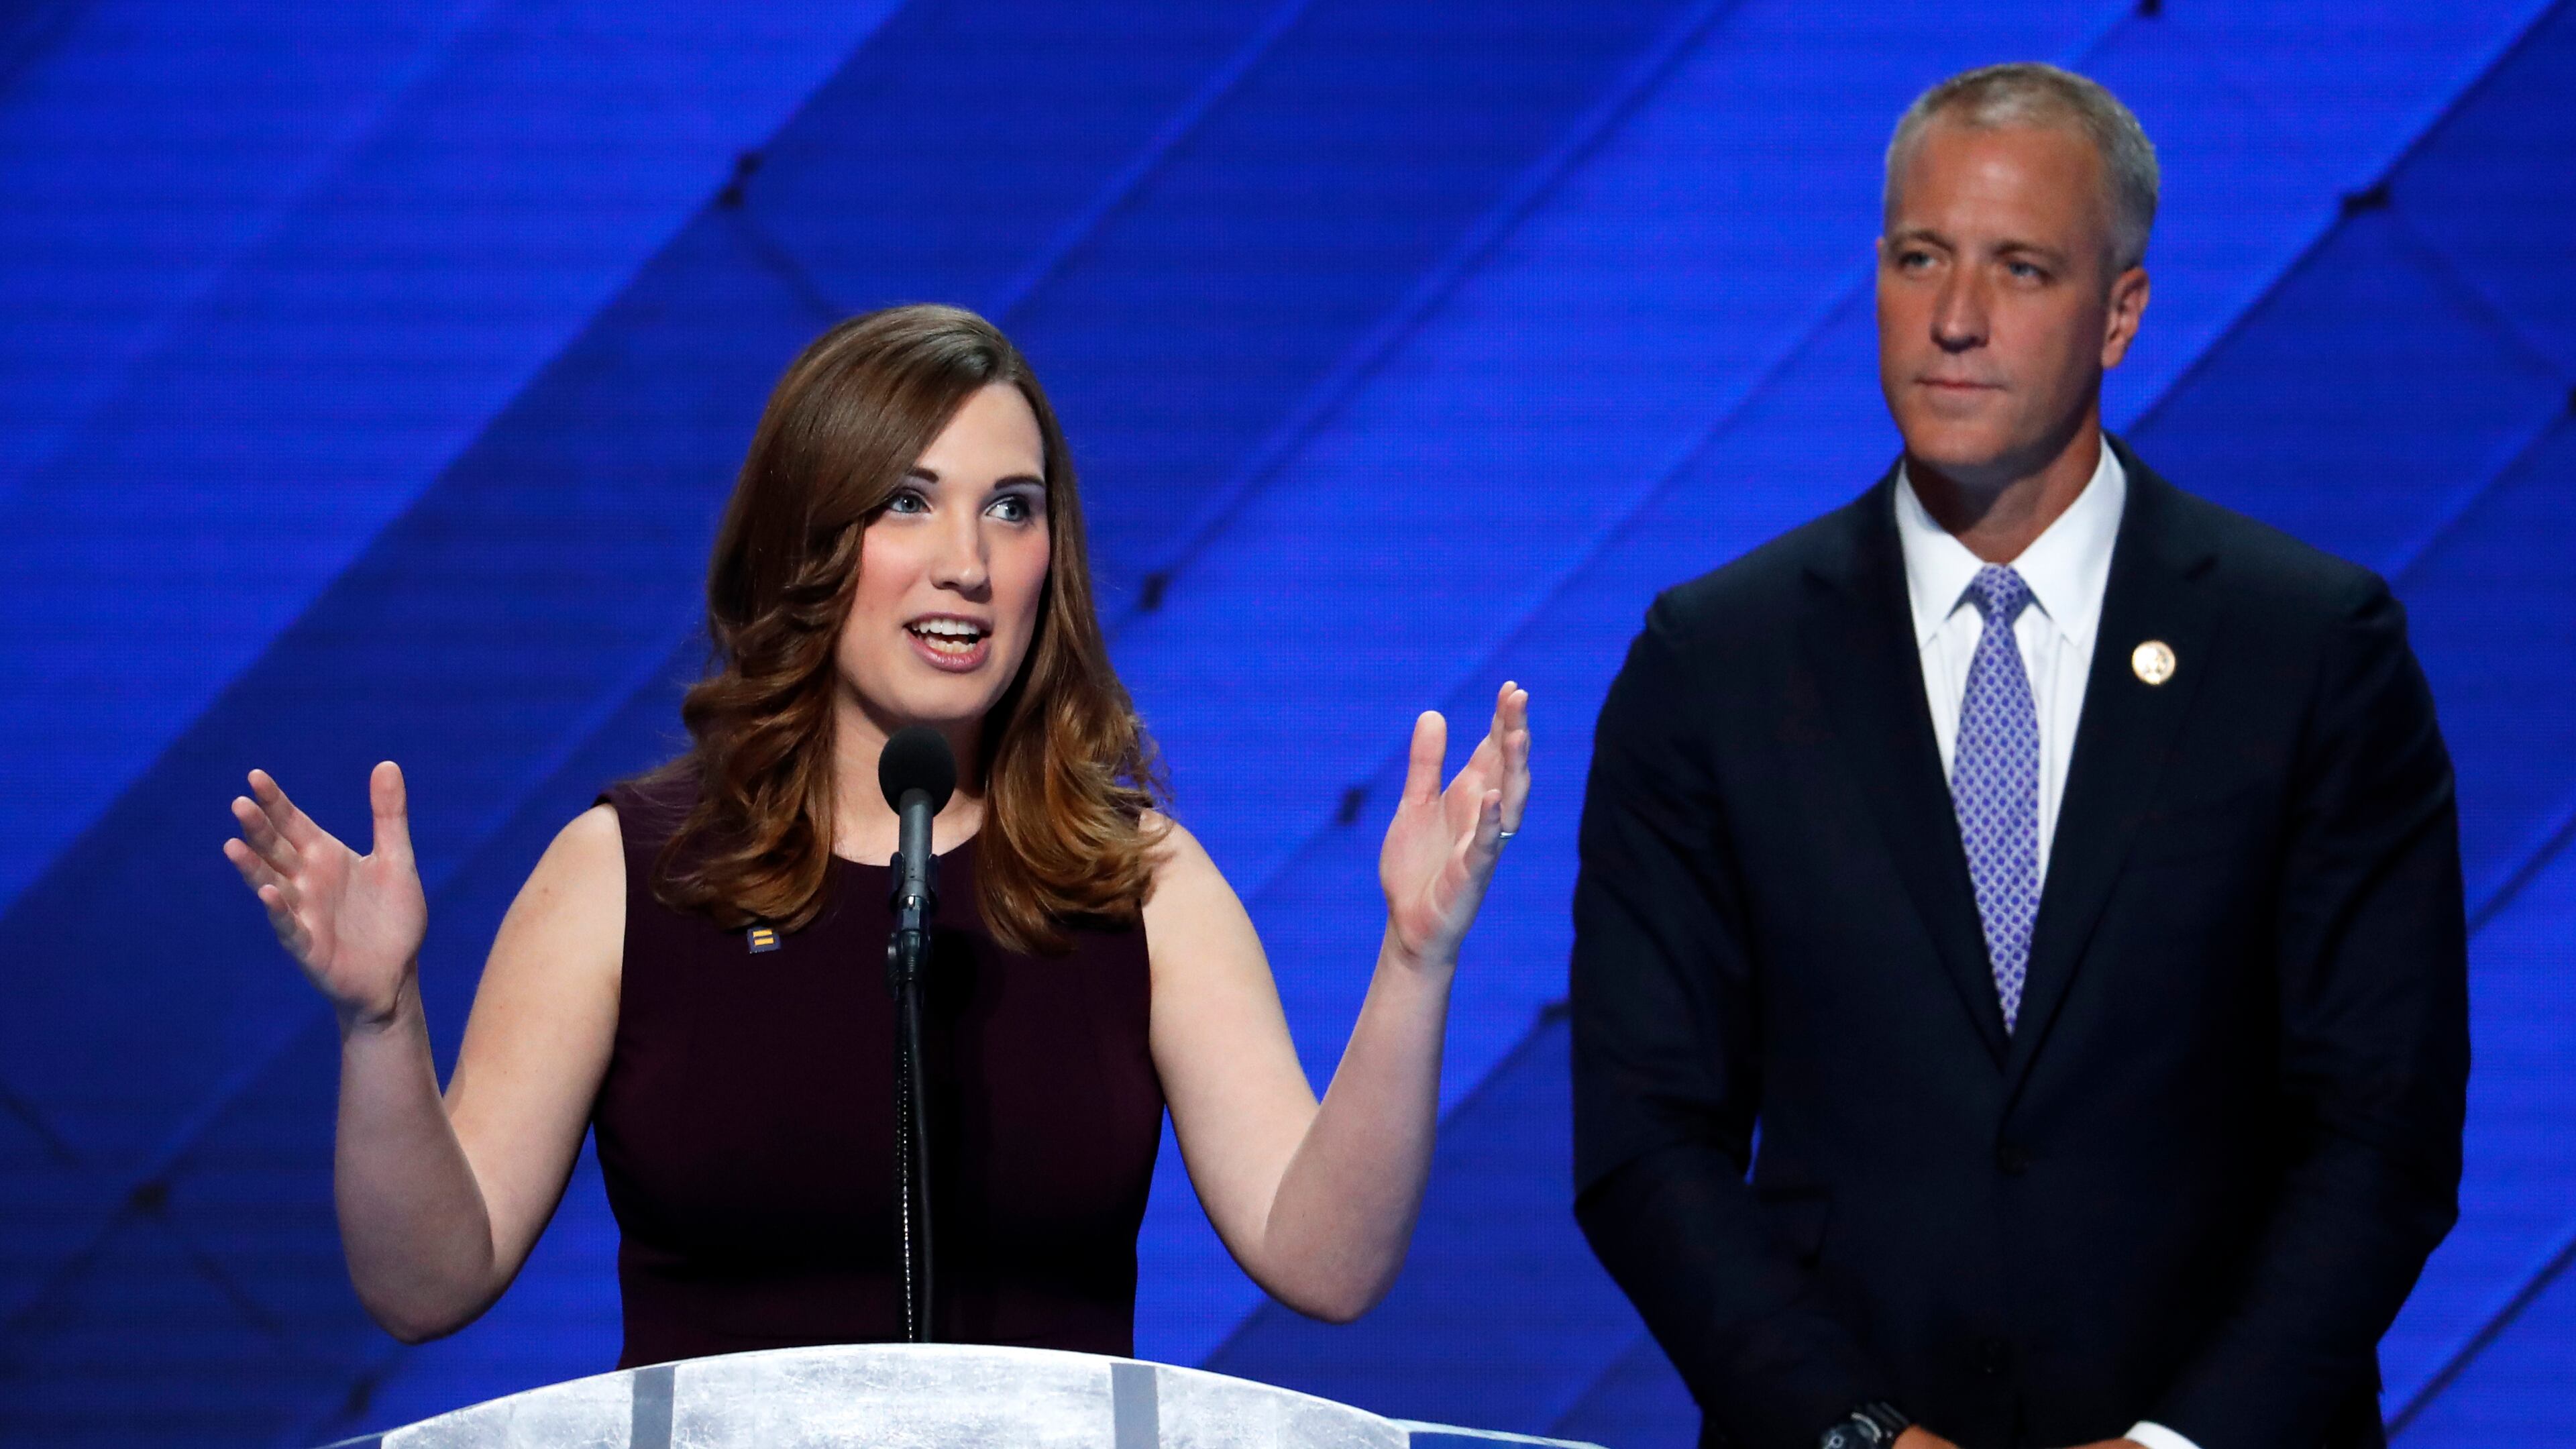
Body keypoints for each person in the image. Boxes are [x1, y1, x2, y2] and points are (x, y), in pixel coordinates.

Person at [223, 304, 1532, 1366]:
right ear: (812, 537)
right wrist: (381, 1022)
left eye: (1012, 508)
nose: (967, 558)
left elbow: (1328, 1262)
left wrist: (1417, 962)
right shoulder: (629, 870)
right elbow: (427, 1284)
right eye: (908, 500)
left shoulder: (1135, 882)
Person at [1570, 63, 2465, 1449]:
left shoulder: (2311, 650)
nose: (1955, 320)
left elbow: (2382, 1127)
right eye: (1919, 258)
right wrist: (1860, 1435)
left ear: (2121, 314)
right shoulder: (1716, 664)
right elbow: (1645, 1134)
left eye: (2022, 269)